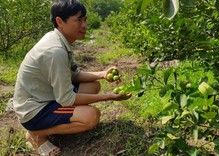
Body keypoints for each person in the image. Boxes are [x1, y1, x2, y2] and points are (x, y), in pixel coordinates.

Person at [12, 0, 131, 155]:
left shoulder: (58, 40)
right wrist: (108, 97)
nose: (84, 25)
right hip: (35, 111)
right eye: (78, 20)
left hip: (47, 96)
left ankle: (43, 128)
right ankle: (37, 133)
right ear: (60, 21)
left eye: (85, 19)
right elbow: (67, 99)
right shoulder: (55, 51)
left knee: (93, 85)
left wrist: (102, 74)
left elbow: (74, 75)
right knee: (91, 116)